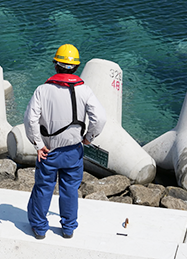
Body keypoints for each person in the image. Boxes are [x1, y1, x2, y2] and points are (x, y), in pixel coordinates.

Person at [24, 44, 107, 240]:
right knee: (70, 189)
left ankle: (39, 228)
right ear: (76, 67)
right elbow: (100, 118)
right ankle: (68, 228)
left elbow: (30, 120)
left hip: (48, 150)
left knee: (44, 187)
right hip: (73, 151)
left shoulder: (42, 90)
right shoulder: (85, 90)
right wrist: (89, 138)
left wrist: (37, 144)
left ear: (55, 65)